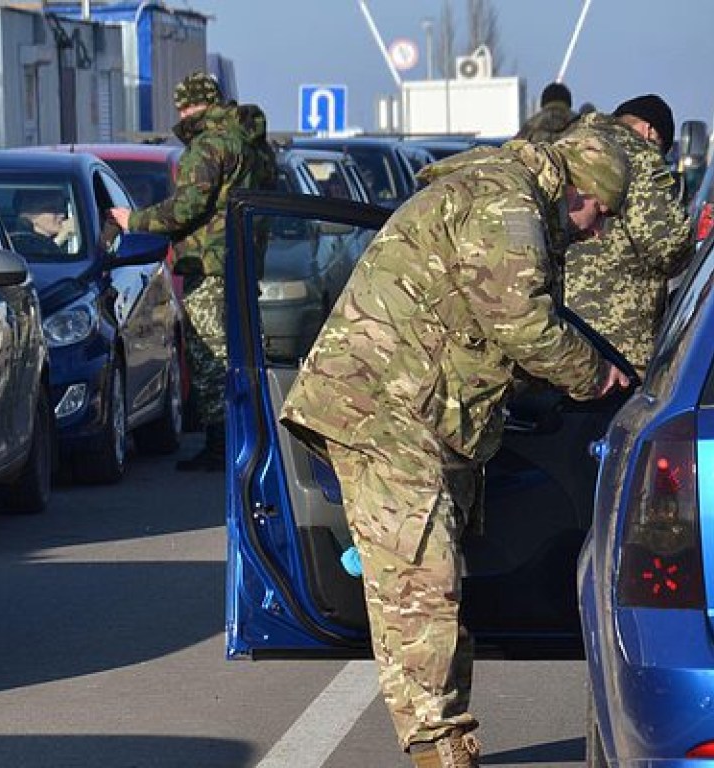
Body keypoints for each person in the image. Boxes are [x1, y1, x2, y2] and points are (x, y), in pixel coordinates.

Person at [279, 129, 632, 768]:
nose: (598, 231)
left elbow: (487, 324)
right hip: (383, 410)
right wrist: (595, 376)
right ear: (577, 188)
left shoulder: (515, 196)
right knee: (421, 584)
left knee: (430, 579)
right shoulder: (508, 202)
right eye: (600, 213)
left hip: (419, 413)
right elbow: (521, 324)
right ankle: (439, 748)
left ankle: (444, 737)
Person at [108, 71, 276, 471]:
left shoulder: (208, 146)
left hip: (210, 263)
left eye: (182, 106)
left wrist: (132, 220)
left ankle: (222, 445)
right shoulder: (252, 144)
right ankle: (246, 436)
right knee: (238, 352)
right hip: (243, 261)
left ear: (191, 105)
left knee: (208, 355)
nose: (181, 115)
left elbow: (185, 209)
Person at [563, 94, 694, 373]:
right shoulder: (641, 155)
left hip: (560, 329)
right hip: (618, 337)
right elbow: (668, 245)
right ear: (650, 131)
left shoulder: (569, 144)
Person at [13, 188, 77, 255]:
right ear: (28, 214)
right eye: (52, 209)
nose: (62, 215)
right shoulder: (19, 242)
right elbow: (35, 261)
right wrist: (63, 236)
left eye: (62, 208)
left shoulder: (72, 242)